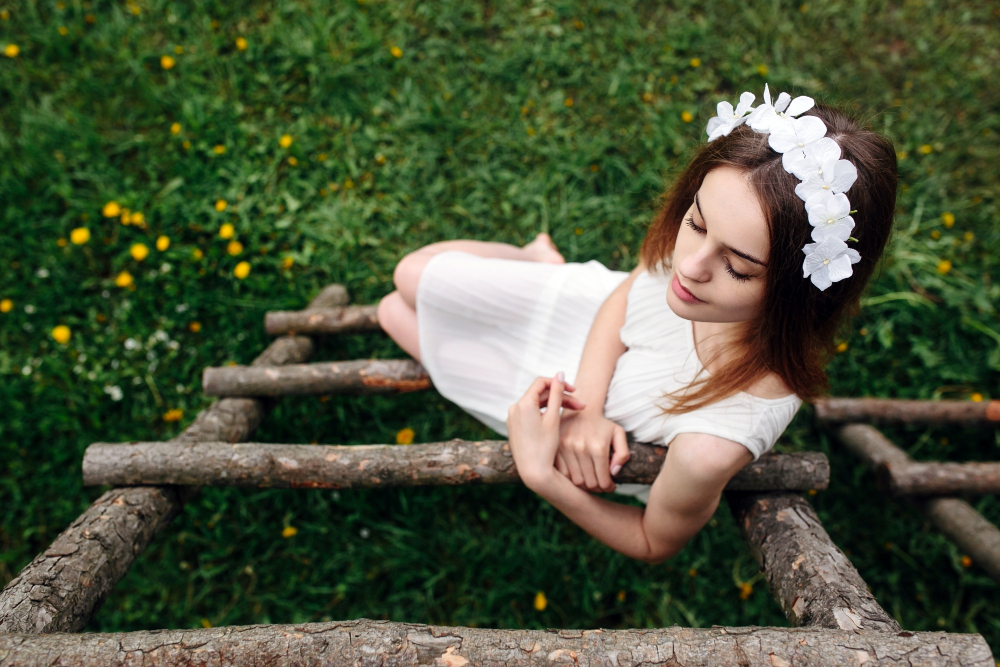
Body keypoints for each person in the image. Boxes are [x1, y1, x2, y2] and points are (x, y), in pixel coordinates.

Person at [376, 87, 897, 563]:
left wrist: (540, 475)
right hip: (588, 339)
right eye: (695, 222)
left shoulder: (710, 446)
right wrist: (588, 406)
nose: (688, 267)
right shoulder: (701, 261)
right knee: (409, 275)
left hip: (551, 393)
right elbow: (629, 293)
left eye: (738, 266)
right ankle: (535, 259)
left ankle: (533, 270)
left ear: (799, 292)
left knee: (392, 313)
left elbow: (653, 541)